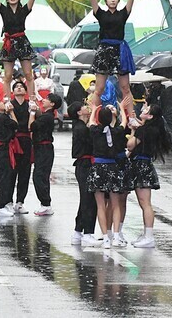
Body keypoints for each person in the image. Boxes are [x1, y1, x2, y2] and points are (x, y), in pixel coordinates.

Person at [80, 0, 146, 121]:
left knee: (125, 87)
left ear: (118, 0)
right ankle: (94, 117)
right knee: (99, 88)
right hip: (104, 51)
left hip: (120, 51)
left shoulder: (123, 13)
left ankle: (131, 117)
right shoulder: (100, 13)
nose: (112, 0)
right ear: (106, 1)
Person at [126, 105, 170, 248]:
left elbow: (130, 145)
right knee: (144, 203)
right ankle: (146, 235)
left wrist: (133, 130)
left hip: (140, 165)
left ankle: (149, 236)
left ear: (150, 116)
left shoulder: (144, 130)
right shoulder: (152, 129)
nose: (143, 110)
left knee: (145, 203)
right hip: (144, 164)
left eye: (146, 110)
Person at [87, 105, 127, 249]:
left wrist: (94, 110)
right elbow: (124, 123)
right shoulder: (117, 132)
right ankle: (116, 235)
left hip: (98, 167)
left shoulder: (95, 131)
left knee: (100, 205)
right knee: (115, 204)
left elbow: (91, 122)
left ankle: (105, 238)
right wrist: (122, 109)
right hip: (113, 167)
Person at [68, 102, 98, 246]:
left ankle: (78, 231)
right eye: (84, 107)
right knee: (89, 200)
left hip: (85, 165)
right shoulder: (81, 128)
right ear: (79, 113)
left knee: (86, 199)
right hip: (85, 165)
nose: (87, 108)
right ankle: (87, 233)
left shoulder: (81, 127)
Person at [6, 81, 35, 213]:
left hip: (26, 140)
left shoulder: (30, 105)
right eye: (16, 87)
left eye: (21, 87)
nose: (19, 88)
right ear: (12, 91)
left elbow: (32, 125)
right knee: (12, 172)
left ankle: (20, 202)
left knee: (25, 172)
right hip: (14, 140)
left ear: (25, 90)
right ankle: (9, 201)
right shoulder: (9, 105)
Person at [31, 95, 63, 216]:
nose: (43, 100)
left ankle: (45, 203)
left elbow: (32, 126)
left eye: (47, 99)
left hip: (44, 148)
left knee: (39, 176)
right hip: (42, 148)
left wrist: (31, 113)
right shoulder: (46, 115)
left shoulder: (48, 117)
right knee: (42, 176)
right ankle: (45, 203)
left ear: (52, 104)